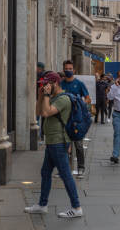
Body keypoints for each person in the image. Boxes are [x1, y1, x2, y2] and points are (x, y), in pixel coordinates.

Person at [25, 71, 83, 218]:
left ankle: (76, 207)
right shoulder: (53, 97)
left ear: (55, 84)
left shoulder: (63, 99)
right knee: (45, 173)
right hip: (51, 142)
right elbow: (38, 111)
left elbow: (46, 113)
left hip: (58, 142)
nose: (45, 86)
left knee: (65, 175)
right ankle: (42, 205)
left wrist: (45, 96)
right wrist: (41, 95)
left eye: (47, 84)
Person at [60, 60, 89, 177]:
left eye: (70, 69)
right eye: (66, 69)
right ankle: (65, 169)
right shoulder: (61, 84)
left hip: (76, 119)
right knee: (64, 145)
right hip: (63, 118)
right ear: (63, 70)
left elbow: (88, 98)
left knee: (78, 144)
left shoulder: (79, 84)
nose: (68, 71)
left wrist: (80, 103)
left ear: (74, 70)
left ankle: (81, 167)